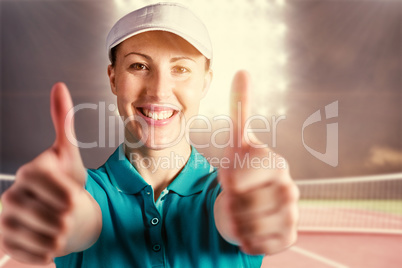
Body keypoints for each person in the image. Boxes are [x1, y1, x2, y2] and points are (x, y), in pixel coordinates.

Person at [0, 2, 299, 267]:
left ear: (205, 82)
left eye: (181, 69)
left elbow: (233, 218)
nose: (158, 90)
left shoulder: (231, 196)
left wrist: (256, 213)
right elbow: (80, 220)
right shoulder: (81, 193)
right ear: (114, 77)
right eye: (139, 65)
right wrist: (64, 220)